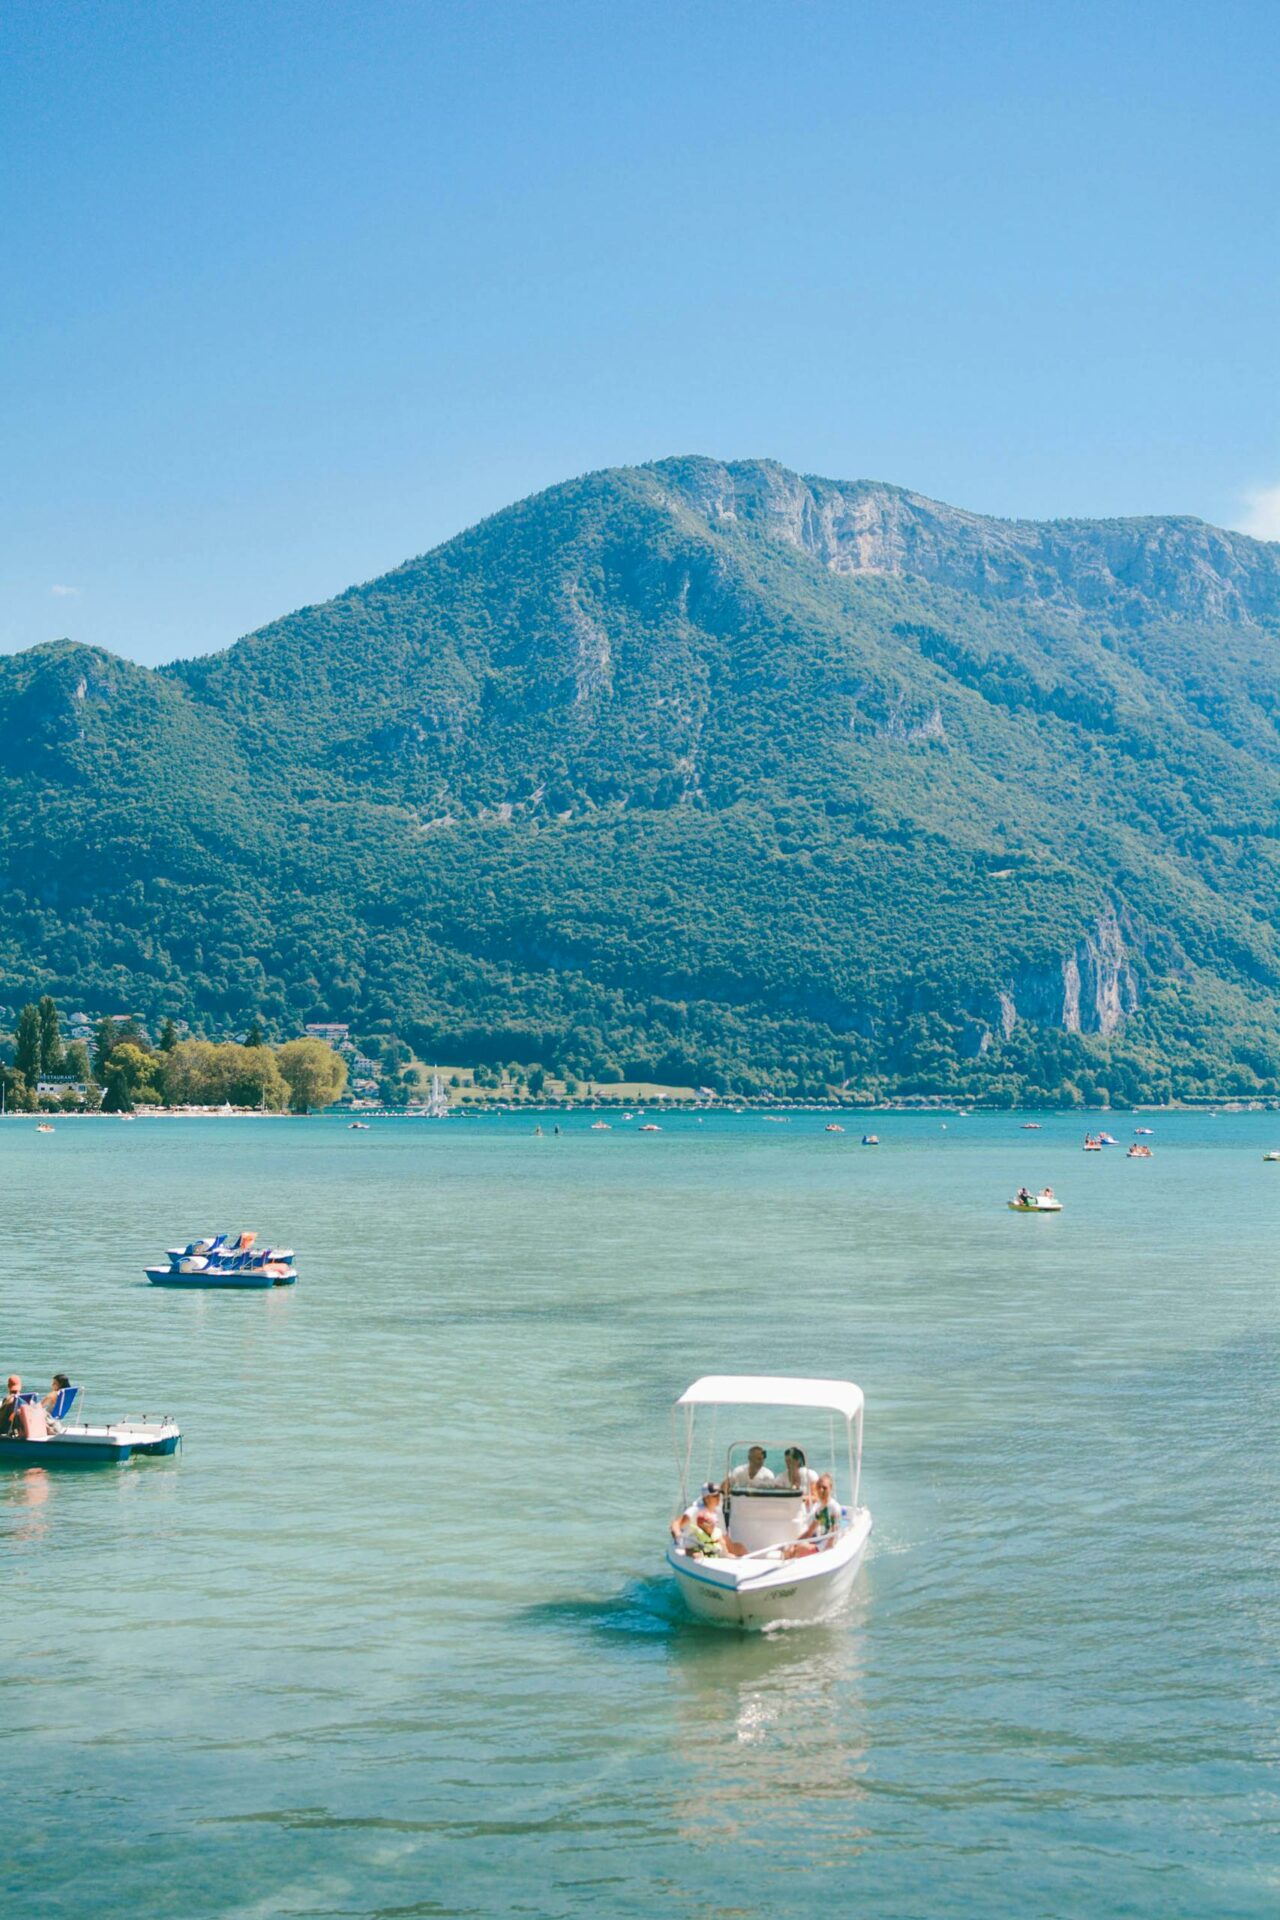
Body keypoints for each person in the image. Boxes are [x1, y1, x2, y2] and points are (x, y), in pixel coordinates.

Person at [670, 1483, 746, 1556]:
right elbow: (676, 1524)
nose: (718, 1498)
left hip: (714, 1545)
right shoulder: (694, 1510)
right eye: (715, 1496)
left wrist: (731, 1550)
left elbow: (723, 1535)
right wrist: (678, 1538)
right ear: (706, 1498)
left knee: (741, 1548)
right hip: (697, 1545)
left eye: (719, 1495)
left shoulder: (718, 1511)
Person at [782, 1474, 843, 1558]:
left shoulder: (834, 1508)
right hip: (819, 1541)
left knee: (799, 1549)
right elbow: (810, 1531)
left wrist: (824, 1554)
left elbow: (833, 1536)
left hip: (825, 1546)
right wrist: (793, 1544)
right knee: (789, 1548)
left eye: (824, 1488)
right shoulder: (820, 1508)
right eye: (819, 1487)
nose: (821, 1490)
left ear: (830, 1488)